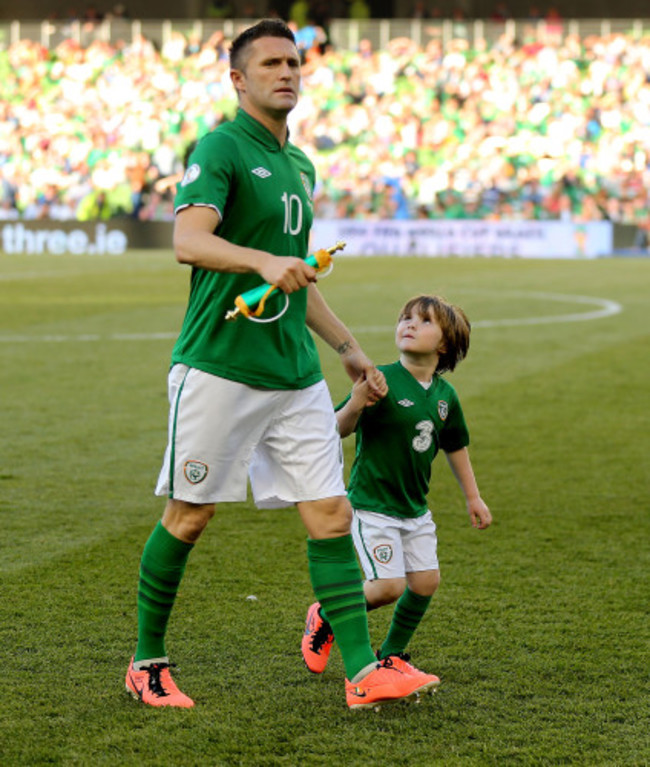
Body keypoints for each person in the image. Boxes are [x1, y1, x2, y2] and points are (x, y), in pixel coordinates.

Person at [125, 19, 430, 712]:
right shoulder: (221, 147)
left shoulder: (301, 164)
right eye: (270, 64)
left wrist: (350, 349)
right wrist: (260, 259)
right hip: (220, 364)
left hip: (294, 372)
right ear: (239, 79)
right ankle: (146, 661)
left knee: (330, 511)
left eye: (293, 62)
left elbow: (300, 275)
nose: (286, 72)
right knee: (189, 514)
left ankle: (362, 671)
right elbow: (187, 239)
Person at [302, 294, 492, 684]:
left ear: (444, 344)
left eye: (423, 321)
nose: (408, 324)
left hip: (414, 509)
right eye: (405, 318)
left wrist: (473, 496)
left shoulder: (445, 397)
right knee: (387, 586)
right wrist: (356, 402)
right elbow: (336, 429)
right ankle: (326, 613)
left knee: (425, 582)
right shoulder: (379, 380)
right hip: (373, 506)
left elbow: (454, 445)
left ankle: (391, 657)